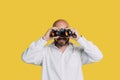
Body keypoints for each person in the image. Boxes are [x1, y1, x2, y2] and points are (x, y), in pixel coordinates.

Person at [22, 19, 103, 80]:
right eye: (58, 31)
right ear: (52, 32)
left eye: (65, 31)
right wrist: (44, 39)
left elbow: (98, 56)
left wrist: (79, 38)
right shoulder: (45, 52)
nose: (62, 35)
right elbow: (26, 58)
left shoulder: (78, 52)